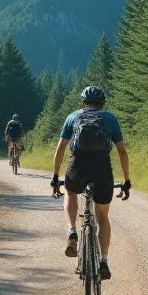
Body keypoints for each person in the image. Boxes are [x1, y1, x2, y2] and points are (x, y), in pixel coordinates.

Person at [50, 86, 130, 280]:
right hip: (101, 167)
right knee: (102, 216)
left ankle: (72, 232)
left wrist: (55, 178)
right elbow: (121, 151)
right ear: (102, 104)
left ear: (83, 103)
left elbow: (60, 148)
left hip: (78, 164)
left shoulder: (73, 117)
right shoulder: (109, 118)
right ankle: (103, 262)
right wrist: (126, 181)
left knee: (70, 192)